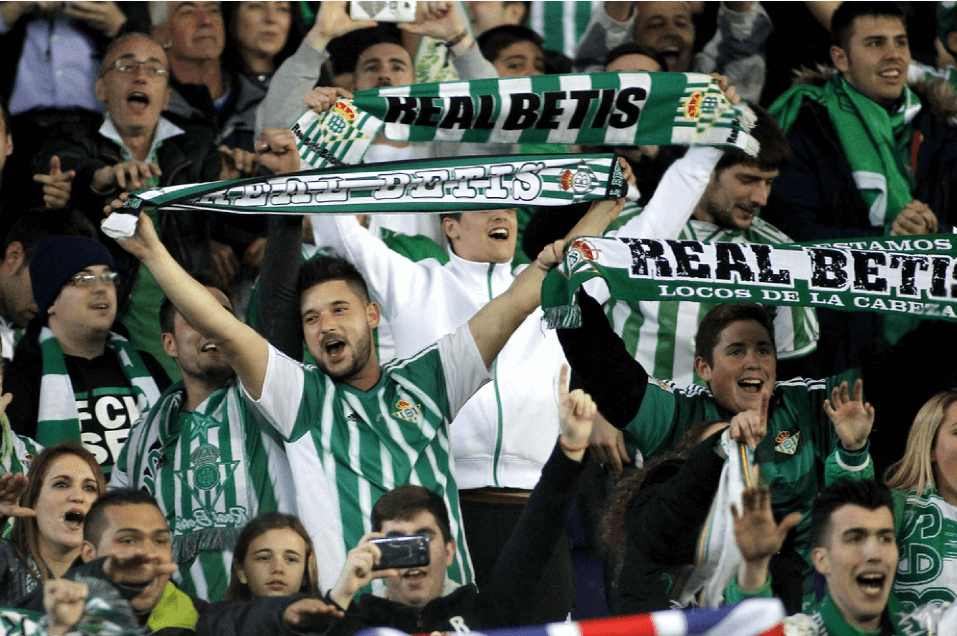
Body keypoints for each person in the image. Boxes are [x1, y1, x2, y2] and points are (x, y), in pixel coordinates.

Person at [108, 122, 572, 594]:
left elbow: (518, 299)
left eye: (339, 310)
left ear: (372, 315)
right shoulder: (299, 397)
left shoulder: (429, 379)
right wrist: (153, 254)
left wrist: (603, 208)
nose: (325, 324)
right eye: (310, 319)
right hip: (348, 618)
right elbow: (226, 330)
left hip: (442, 613)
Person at [308, 185, 621, 619]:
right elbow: (338, 235)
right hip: (451, 512)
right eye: (486, 205)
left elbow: (588, 252)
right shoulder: (414, 282)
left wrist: (608, 203)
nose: (503, 216)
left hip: (538, 505)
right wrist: (321, 148)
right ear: (449, 226)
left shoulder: (550, 288)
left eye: (510, 206)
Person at [208, 364, 594, 636]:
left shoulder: (485, 611)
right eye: (397, 541)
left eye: (423, 539)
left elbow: (538, 533)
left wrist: (571, 447)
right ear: (376, 552)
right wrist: (342, 594)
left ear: (449, 551)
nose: (413, 553)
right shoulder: (355, 623)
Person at [559, 299, 873, 611]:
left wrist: (854, 450)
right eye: (736, 351)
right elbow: (609, 373)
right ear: (703, 367)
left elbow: (897, 375)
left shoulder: (809, 405)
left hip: (784, 615)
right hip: (694, 619)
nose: (753, 361)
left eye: (764, 350)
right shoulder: (678, 412)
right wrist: (567, 291)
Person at [34, 32, 260, 377]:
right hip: (108, 331)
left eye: (154, 69)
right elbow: (72, 170)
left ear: (167, 96)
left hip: (189, 325)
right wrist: (105, 177)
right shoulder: (73, 138)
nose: (140, 76)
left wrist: (244, 172)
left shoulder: (195, 146)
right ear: (100, 90)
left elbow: (225, 191)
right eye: (126, 66)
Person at [763, 2, 957, 376]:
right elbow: (792, 237)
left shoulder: (940, 129)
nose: (893, 55)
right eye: (875, 43)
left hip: (935, 342)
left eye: (900, 43)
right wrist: (888, 240)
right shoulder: (804, 129)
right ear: (841, 58)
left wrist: (934, 235)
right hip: (839, 345)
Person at [110, 267, 296, 602]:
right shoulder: (141, 440)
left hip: (269, 614)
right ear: (169, 344)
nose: (211, 325)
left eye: (221, 316)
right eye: (195, 317)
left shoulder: (271, 400)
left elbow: (279, 292)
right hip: (176, 621)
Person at [5, 236, 169, 474]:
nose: (101, 287)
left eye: (108, 277)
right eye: (83, 279)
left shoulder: (146, 365)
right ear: (51, 301)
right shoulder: (21, 374)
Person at [728, 479, 956, 635]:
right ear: (820, 560)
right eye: (855, 538)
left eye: (885, 538)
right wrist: (754, 565)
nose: (874, 553)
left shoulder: (930, 628)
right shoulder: (799, 632)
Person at [574, 1, 773, 103]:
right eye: (655, 25)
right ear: (631, 40)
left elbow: (742, 41)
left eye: (681, 23)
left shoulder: (712, 83)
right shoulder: (610, 91)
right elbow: (601, 50)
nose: (672, 33)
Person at [0, 442, 105, 606]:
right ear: (34, 501)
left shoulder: (109, 584)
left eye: (90, 488)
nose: (78, 496)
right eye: (61, 484)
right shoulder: (5, 559)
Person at [224, 511, 319, 601]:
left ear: (305, 574)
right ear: (241, 571)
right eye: (264, 558)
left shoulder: (328, 617)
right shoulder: (214, 617)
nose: (278, 568)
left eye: (290, 559)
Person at [222, 1, 303, 91]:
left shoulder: (309, 83)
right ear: (231, 13)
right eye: (256, 6)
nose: (271, 18)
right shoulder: (218, 89)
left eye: (282, 8)